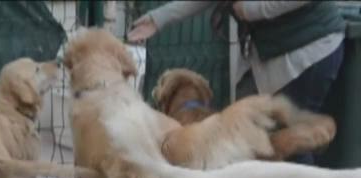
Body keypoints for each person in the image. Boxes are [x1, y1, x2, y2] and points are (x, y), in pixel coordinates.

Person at [128, 1, 345, 165]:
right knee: (260, 148)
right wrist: (159, 18)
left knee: (290, 147)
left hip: (308, 50)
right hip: (274, 52)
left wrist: (253, 8)